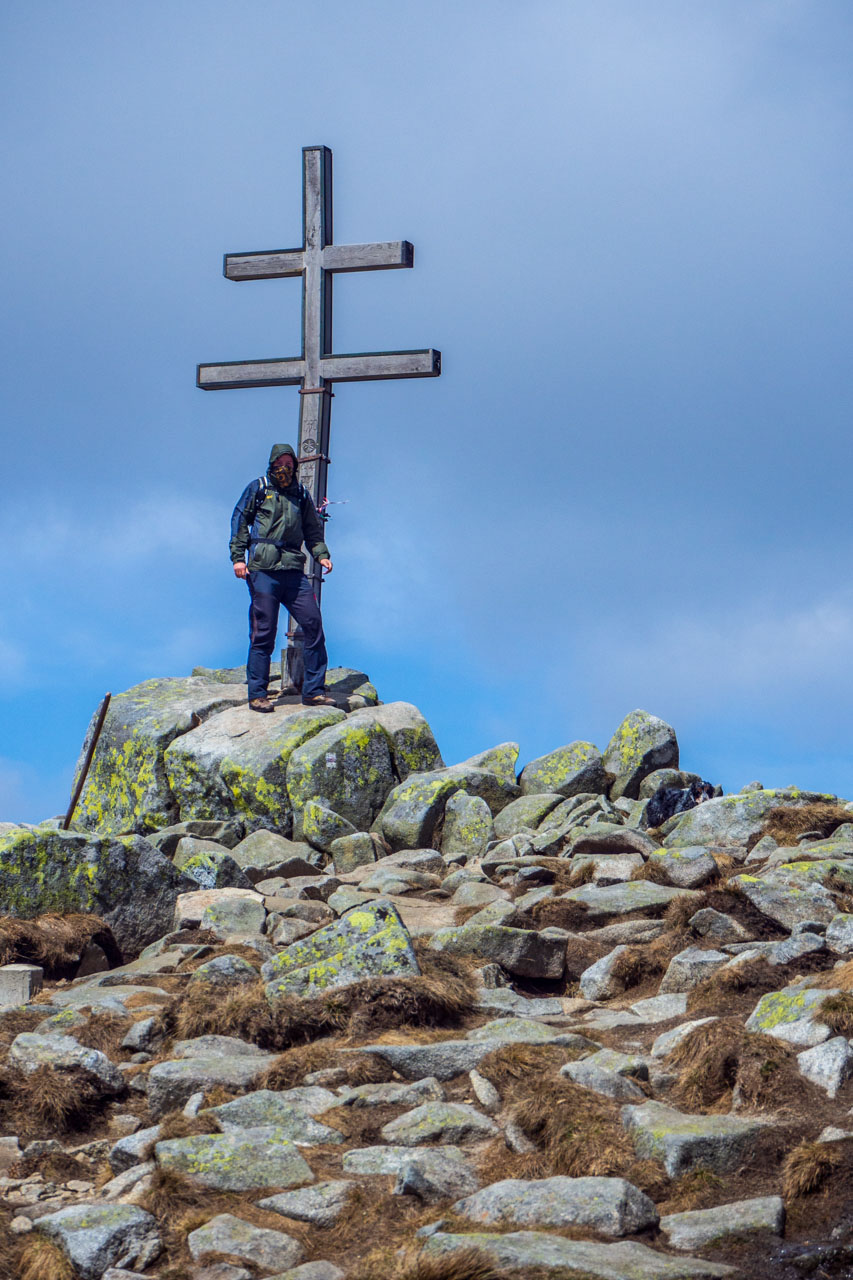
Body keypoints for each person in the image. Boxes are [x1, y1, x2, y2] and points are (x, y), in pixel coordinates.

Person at [230, 443, 336, 712]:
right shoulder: (259, 488)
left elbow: (312, 529)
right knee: (263, 632)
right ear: (272, 463)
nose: (284, 469)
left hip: (292, 570)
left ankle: (313, 692)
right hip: (263, 570)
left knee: (313, 624)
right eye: (280, 464)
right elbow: (240, 521)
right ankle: (257, 694)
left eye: (289, 465)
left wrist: (321, 554)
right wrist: (238, 558)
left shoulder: (300, 494)